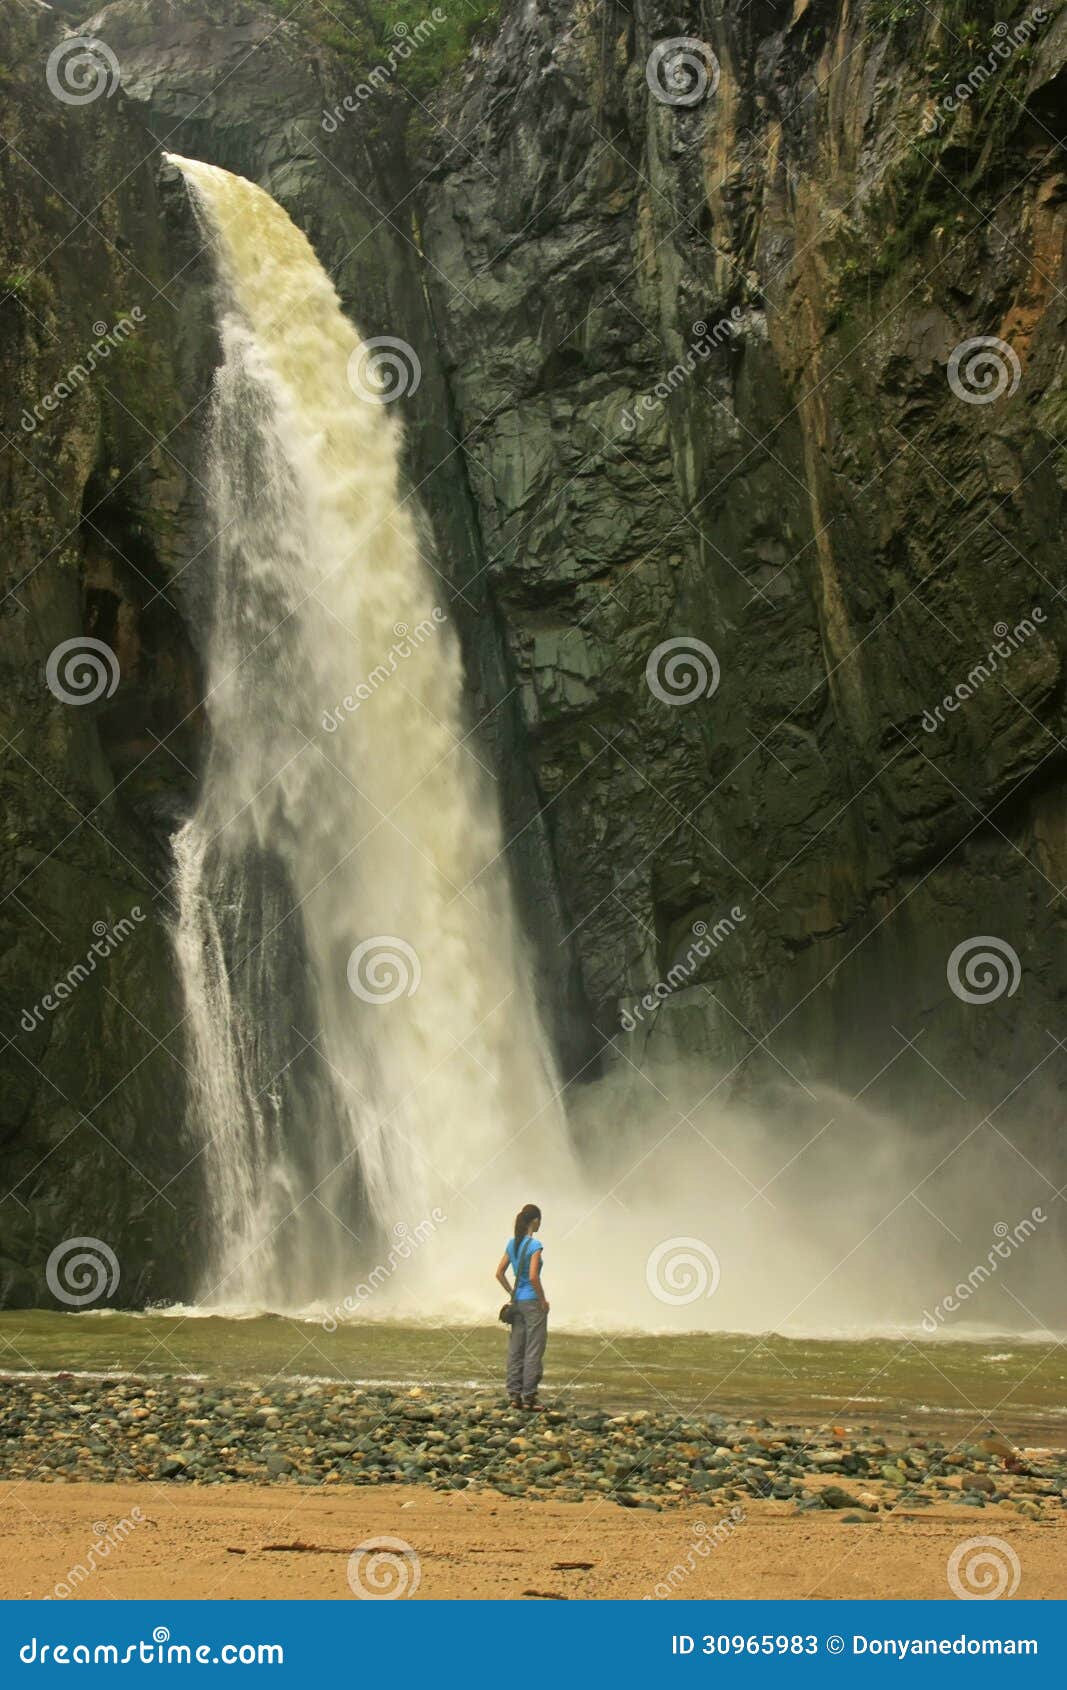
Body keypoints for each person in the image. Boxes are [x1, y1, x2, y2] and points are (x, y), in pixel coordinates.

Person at [496, 1203, 549, 1411]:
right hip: (532, 1303)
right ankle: (529, 1398)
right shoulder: (535, 1246)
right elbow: (534, 1276)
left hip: (517, 1302)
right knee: (534, 1349)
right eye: (539, 1221)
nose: (540, 1225)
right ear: (534, 1221)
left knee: (516, 1349)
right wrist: (542, 1300)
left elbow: (499, 1273)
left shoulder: (512, 1244)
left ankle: (514, 1396)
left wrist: (512, 1292)